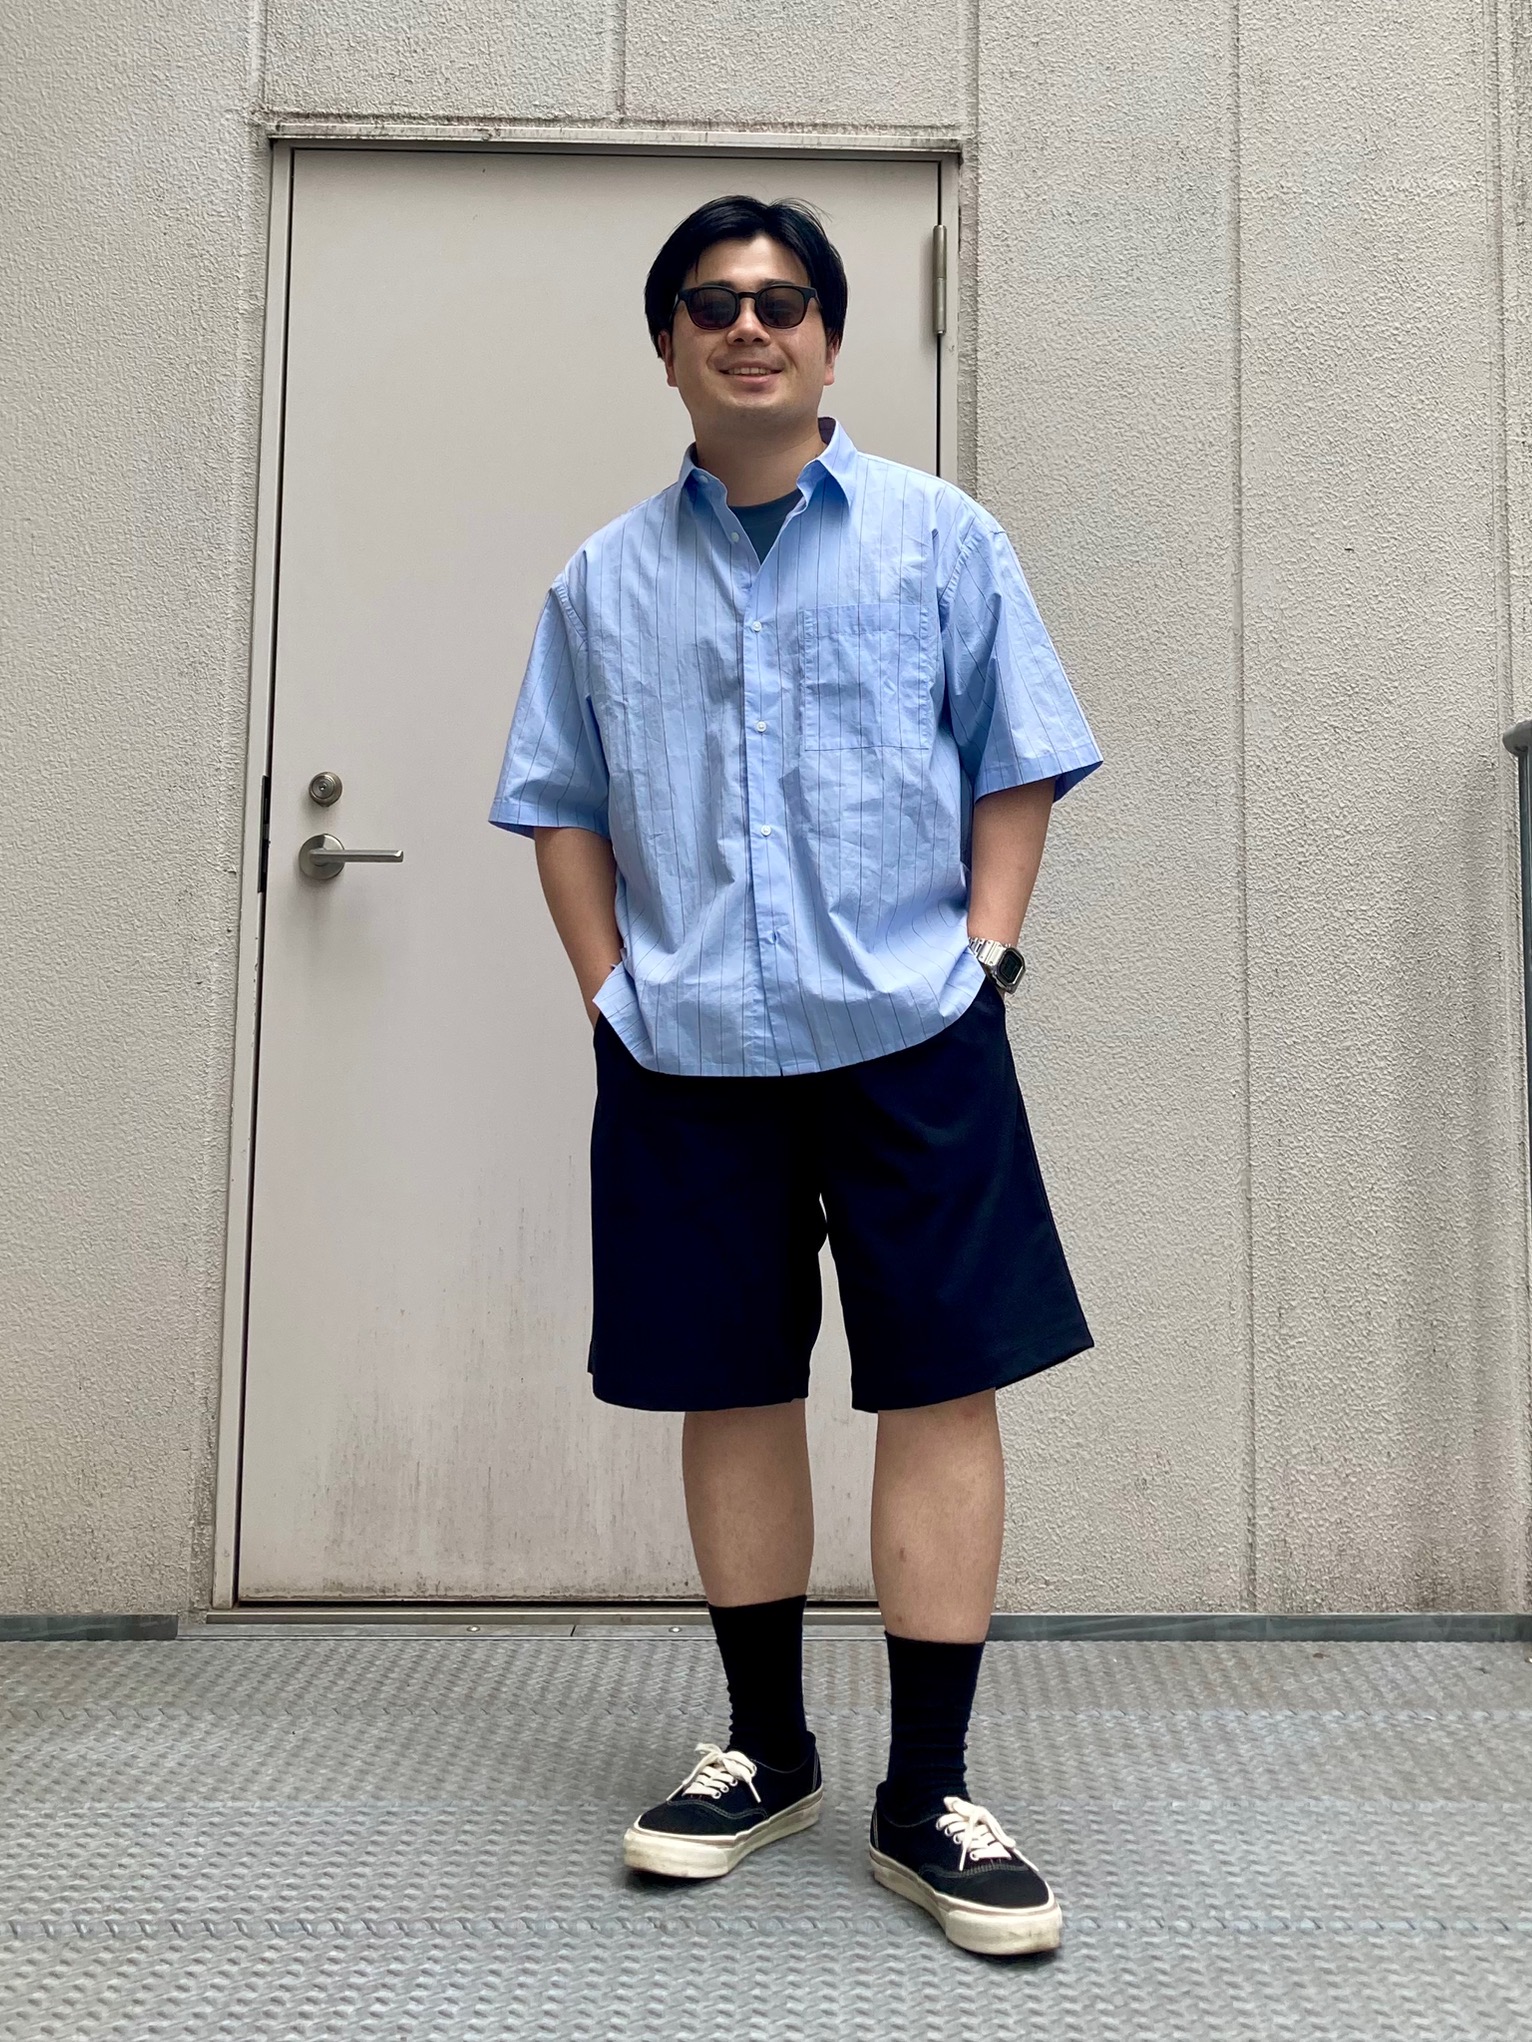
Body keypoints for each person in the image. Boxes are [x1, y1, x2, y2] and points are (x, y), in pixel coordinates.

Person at [490, 194, 1101, 1958]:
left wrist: (985, 958)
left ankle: (930, 1793)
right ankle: (766, 1750)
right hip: (689, 1058)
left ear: (830, 336)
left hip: (916, 1040)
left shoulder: (939, 538)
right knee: (731, 1386)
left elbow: (1017, 756)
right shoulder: (603, 582)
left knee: (944, 1388)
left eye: (781, 300)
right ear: (668, 345)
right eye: (711, 303)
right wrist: (613, 997)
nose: (747, 326)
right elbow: (560, 803)